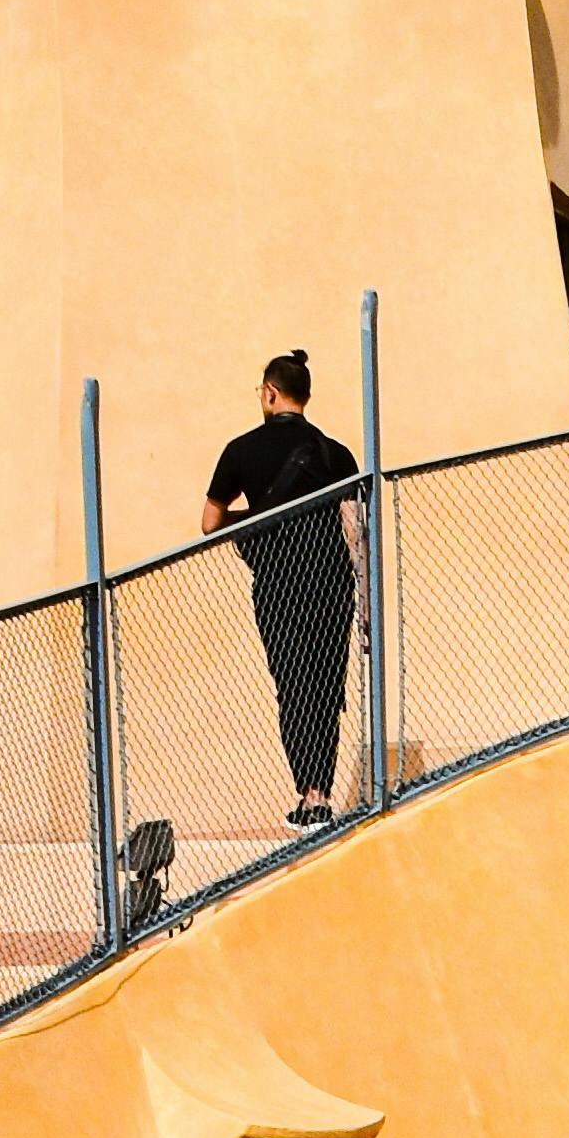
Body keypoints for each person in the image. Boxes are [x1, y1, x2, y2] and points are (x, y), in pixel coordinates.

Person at [202, 352, 361, 823]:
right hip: (332, 585)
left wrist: (257, 518)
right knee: (326, 687)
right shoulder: (336, 453)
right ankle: (323, 793)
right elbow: (354, 530)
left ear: (270, 393)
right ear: (304, 397)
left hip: (278, 587)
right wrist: (365, 593)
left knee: (293, 684)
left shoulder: (241, 450)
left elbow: (210, 523)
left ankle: (309, 792)